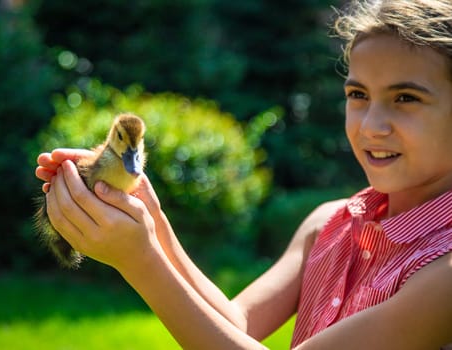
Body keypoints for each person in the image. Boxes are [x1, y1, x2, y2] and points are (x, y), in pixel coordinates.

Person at [35, 0, 452, 348]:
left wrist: (139, 261)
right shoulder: (329, 225)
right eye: (358, 94)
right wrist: (150, 219)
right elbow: (235, 325)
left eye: (405, 97)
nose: (370, 125)